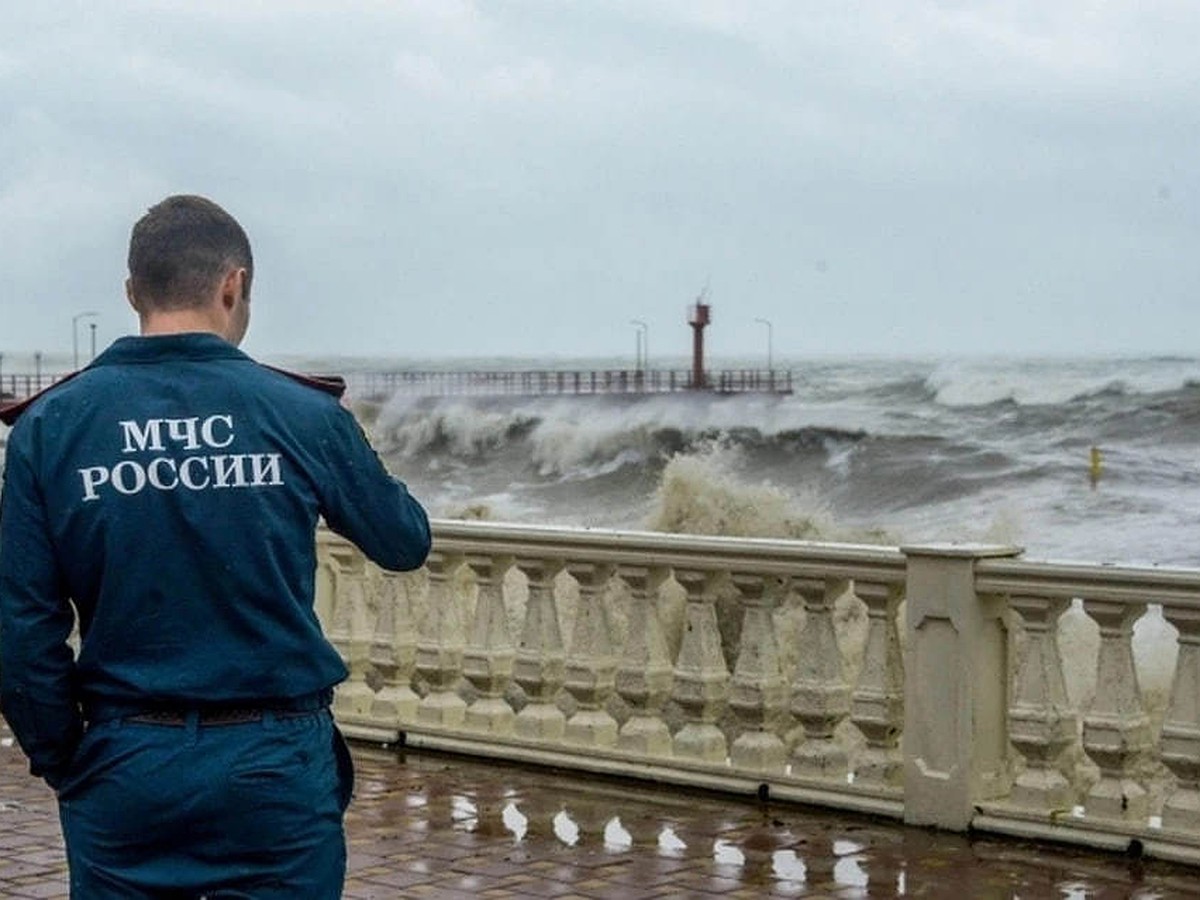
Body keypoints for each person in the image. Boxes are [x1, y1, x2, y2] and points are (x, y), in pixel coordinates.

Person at [0, 194, 432, 898]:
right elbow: (404, 540)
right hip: (273, 762)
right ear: (234, 285)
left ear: (132, 292)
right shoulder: (299, 412)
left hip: (125, 760)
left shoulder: (50, 427)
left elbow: (21, 631)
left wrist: (67, 760)